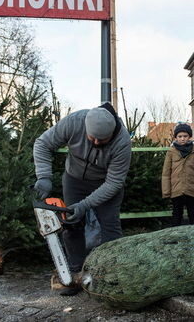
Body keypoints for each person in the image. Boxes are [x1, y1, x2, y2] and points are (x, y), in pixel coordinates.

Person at [33, 102, 132, 295]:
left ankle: (113, 276)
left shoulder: (122, 142)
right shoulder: (74, 122)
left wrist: (85, 205)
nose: (95, 143)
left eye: (101, 140)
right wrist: (44, 177)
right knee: (72, 225)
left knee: (110, 226)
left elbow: (114, 183)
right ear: (86, 127)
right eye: (92, 137)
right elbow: (42, 143)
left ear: (111, 134)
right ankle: (74, 275)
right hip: (74, 179)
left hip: (106, 184)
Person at [161, 123, 194, 226]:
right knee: (177, 214)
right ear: (176, 137)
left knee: (193, 213)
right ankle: (174, 238)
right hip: (176, 189)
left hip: (192, 188)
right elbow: (166, 173)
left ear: (189, 136)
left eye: (185, 136)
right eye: (180, 136)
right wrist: (166, 191)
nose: (182, 139)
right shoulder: (171, 151)